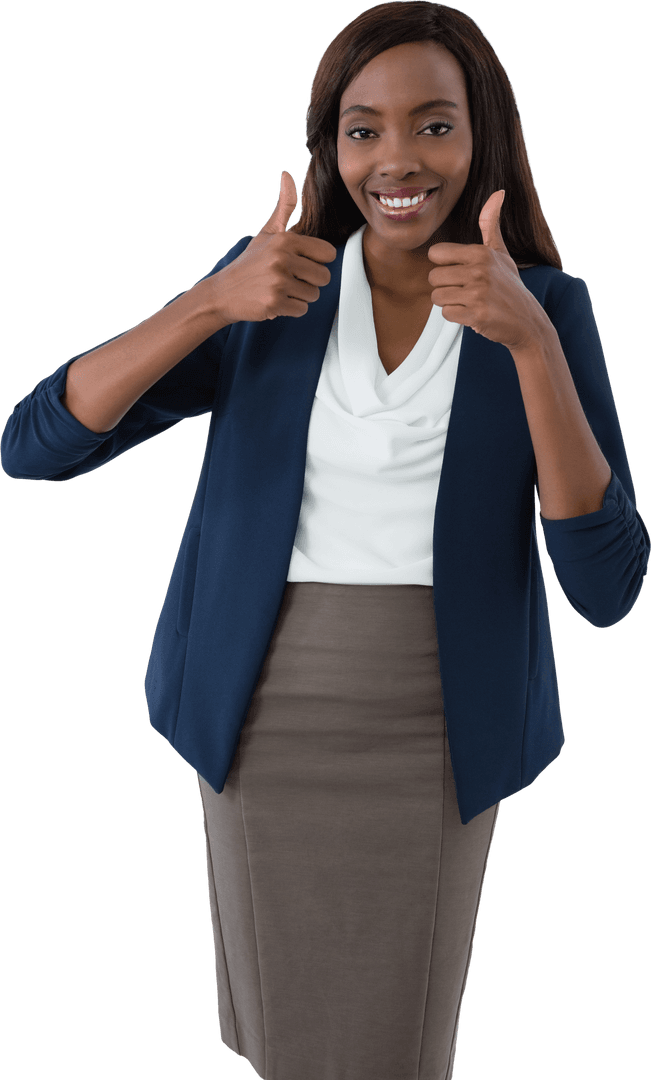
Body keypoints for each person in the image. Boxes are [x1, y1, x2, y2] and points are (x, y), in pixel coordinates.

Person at [2, 2, 648, 1079]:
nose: (397, 157)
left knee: (396, 1046)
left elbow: (608, 583)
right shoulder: (273, 292)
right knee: (287, 1038)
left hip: (442, 725)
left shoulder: (542, 310)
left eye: (434, 125)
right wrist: (212, 301)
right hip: (257, 710)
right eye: (364, 129)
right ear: (332, 145)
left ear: (481, 135)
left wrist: (532, 344)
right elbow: (36, 445)